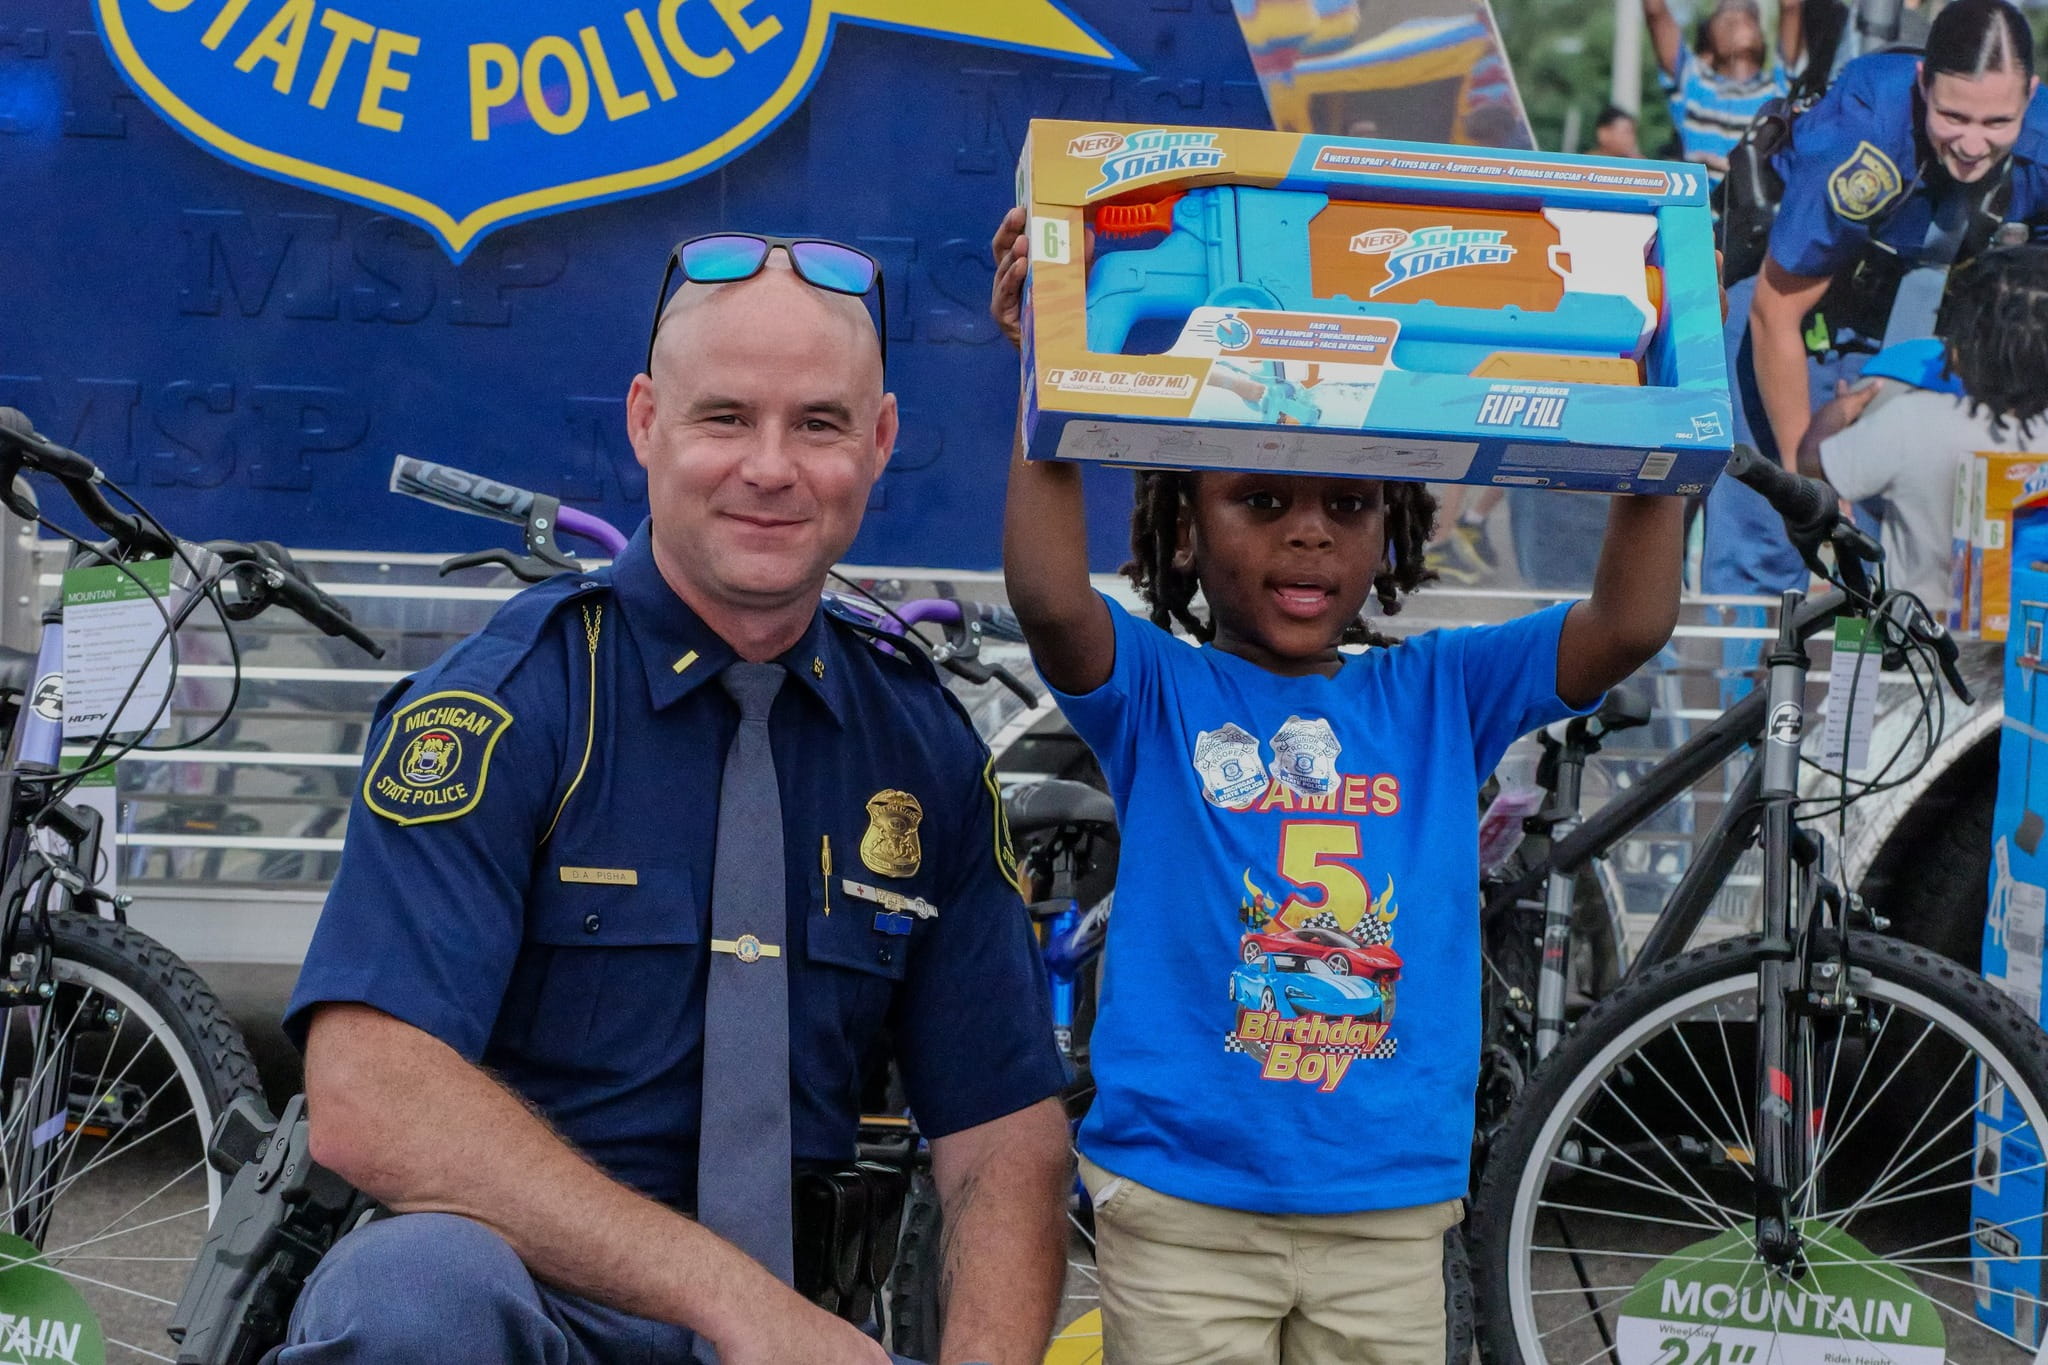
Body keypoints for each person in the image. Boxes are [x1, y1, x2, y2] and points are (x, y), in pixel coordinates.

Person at [278, 238, 1072, 1365]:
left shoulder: (921, 749)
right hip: (549, 1313)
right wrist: (729, 1299)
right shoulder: (512, 708)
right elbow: (370, 1091)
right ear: (646, 421)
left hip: (815, 1332)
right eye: (724, 418)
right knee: (411, 1290)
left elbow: (1001, 1134)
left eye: (818, 424)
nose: (769, 467)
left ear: (880, 441)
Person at [988, 206, 1684, 1364]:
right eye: (1260, 501)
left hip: (1387, 1218)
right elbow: (1054, 601)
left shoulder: (1441, 691)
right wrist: (1040, 368)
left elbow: (1628, 622)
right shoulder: (1157, 694)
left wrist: (1663, 408)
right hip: (1181, 1210)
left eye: (1347, 505)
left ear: (1392, 527)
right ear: (1176, 533)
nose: (1308, 536)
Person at [1707, 0, 2048, 596]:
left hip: (1930, 336)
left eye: (1997, 123)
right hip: (1797, 330)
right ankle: (1737, 680)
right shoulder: (1868, 133)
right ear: (1923, 85)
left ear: (2031, 95)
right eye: (1952, 116)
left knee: (1896, 567)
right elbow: (1774, 311)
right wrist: (1807, 487)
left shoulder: (2042, 144)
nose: (1972, 144)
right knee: (1772, 552)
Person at [1797, 244, 2048, 611]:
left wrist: (1839, 410)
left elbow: (1811, 465)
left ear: (1961, 346)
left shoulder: (1911, 420)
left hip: (1925, 650)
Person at [1643, 0, 1799, 182]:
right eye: (1726, 17)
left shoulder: (1779, 88)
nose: (1738, 17)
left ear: (1762, 40)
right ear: (1709, 39)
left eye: (1749, 17)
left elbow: (1791, 6)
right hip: (1702, 208)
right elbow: (1655, 12)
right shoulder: (1692, 84)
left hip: (1763, 208)